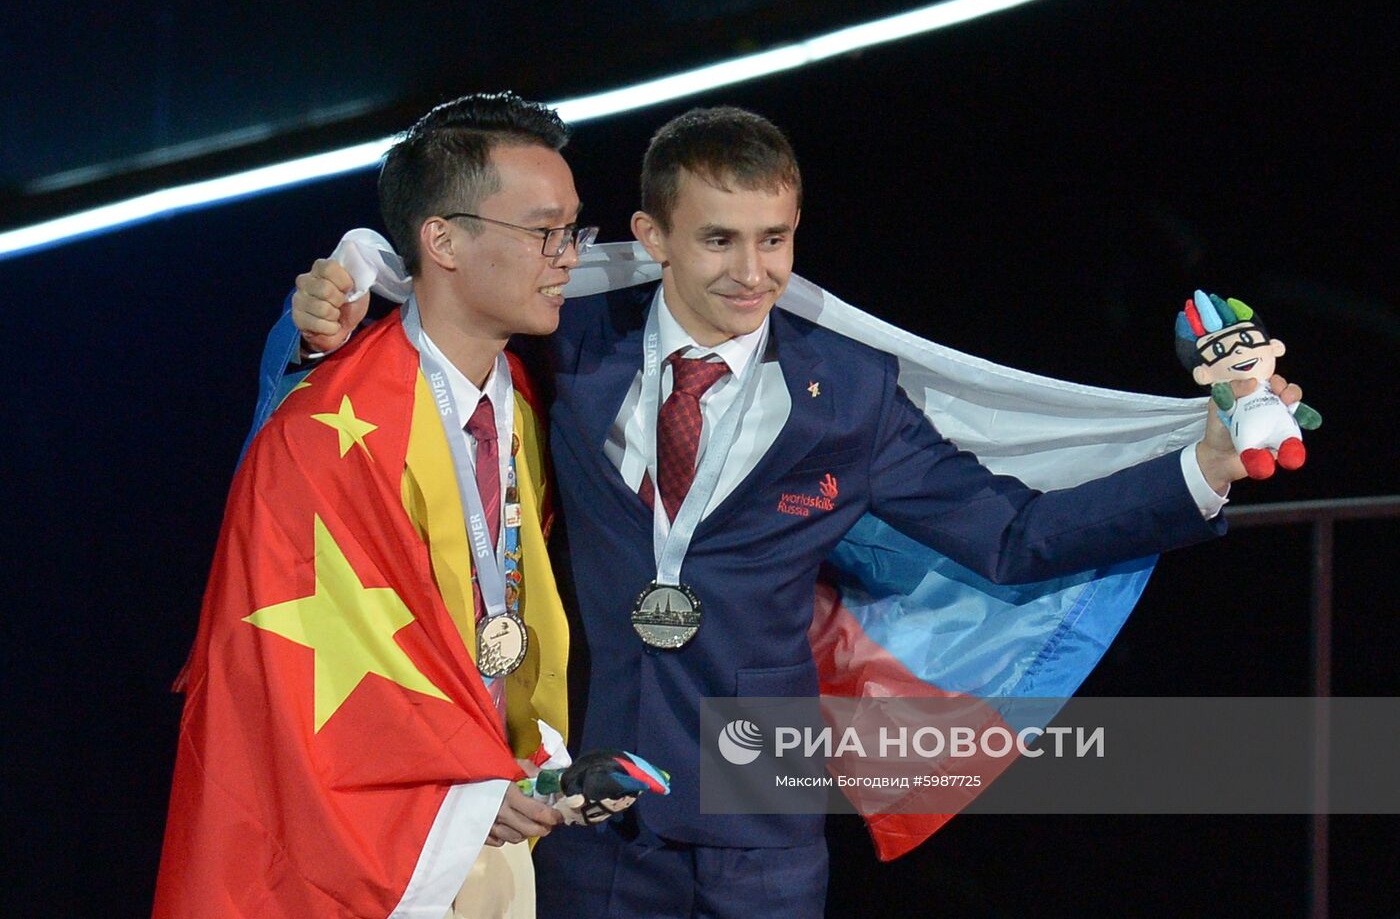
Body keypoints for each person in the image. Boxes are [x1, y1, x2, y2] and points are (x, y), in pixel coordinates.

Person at [291, 104, 1302, 919]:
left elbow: (1010, 535)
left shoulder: (848, 392)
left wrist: (1202, 463)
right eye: (719, 239)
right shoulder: (577, 342)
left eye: (774, 239)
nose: (752, 272)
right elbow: (447, 299)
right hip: (590, 822)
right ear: (650, 238)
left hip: (760, 829)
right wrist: (338, 292)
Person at [155, 93, 594, 919]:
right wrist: (454, 797)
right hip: (369, 854)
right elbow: (281, 679)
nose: (566, 256)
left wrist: (525, 766)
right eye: (544, 232)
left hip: (497, 827)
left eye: (572, 230)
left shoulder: (523, 405)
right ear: (442, 239)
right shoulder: (321, 431)